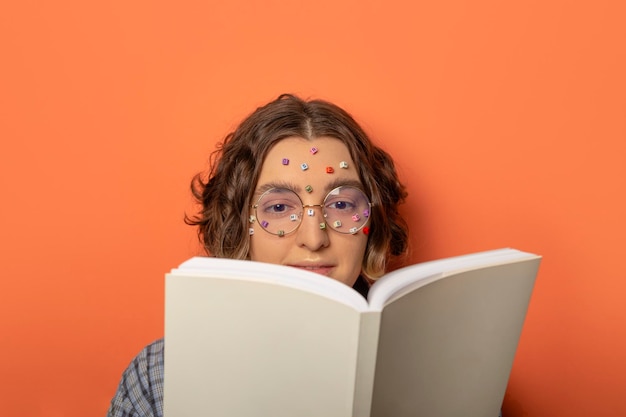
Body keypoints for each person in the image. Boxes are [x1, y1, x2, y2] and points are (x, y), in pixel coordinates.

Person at [106, 93, 409, 417]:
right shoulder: (158, 378)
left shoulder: (423, 368)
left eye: (342, 204)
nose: (314, 238)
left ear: (372, 223)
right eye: (279, 207)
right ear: (239, 226)